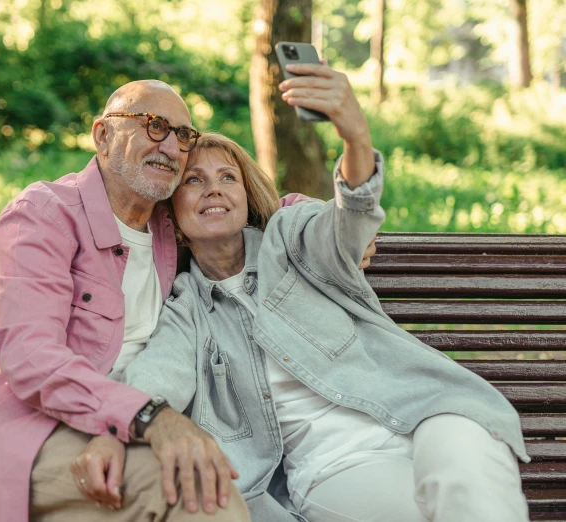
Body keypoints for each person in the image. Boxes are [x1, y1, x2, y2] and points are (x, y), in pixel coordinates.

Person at [0, 77, 373, 521]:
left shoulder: (168, 225)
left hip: (131, 433)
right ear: (103, 134)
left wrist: (322, 217)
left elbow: (247, 206)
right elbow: (31, 358)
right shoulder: (43, 215)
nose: (170, 146)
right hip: (38, 433)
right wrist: (148, 415)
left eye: (183, 135)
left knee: (208, 489)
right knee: (210, 504)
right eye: (153, 125)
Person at [113, 64, 530, 522]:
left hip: (424, 412)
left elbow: (347, 221)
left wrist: (355, 137)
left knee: (472, 487)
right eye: (194, 180)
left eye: (227, 177)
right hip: (337, 466)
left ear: (246, 195)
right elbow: (150, 384)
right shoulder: (187, 311)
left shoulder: (291, 238)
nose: (213, 188)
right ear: (172, 216)